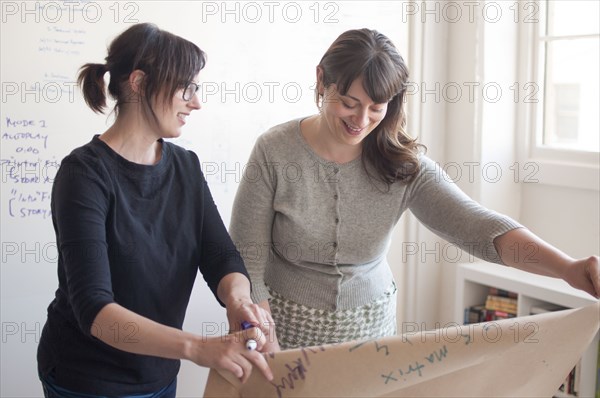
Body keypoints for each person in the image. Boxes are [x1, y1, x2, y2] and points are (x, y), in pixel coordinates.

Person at [229, 28, 600, 351]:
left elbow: (480, 228)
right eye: (348, 103)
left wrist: (568, 268)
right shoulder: (274, 150)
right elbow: (248, 251)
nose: (361, 121)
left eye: (376, 107)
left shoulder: (402, 166)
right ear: (321, 79)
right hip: (279, 325)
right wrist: (264, 330)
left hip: (370, 331)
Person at [37, 23, 273, 397]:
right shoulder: (83, 175)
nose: (196, 102)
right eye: (186, 88)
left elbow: (221, 256)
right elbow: (95, 310)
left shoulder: (186, 167)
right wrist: (197, 348)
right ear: (139, 82)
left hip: (159, 373)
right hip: (87, 379)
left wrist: (238, 300)